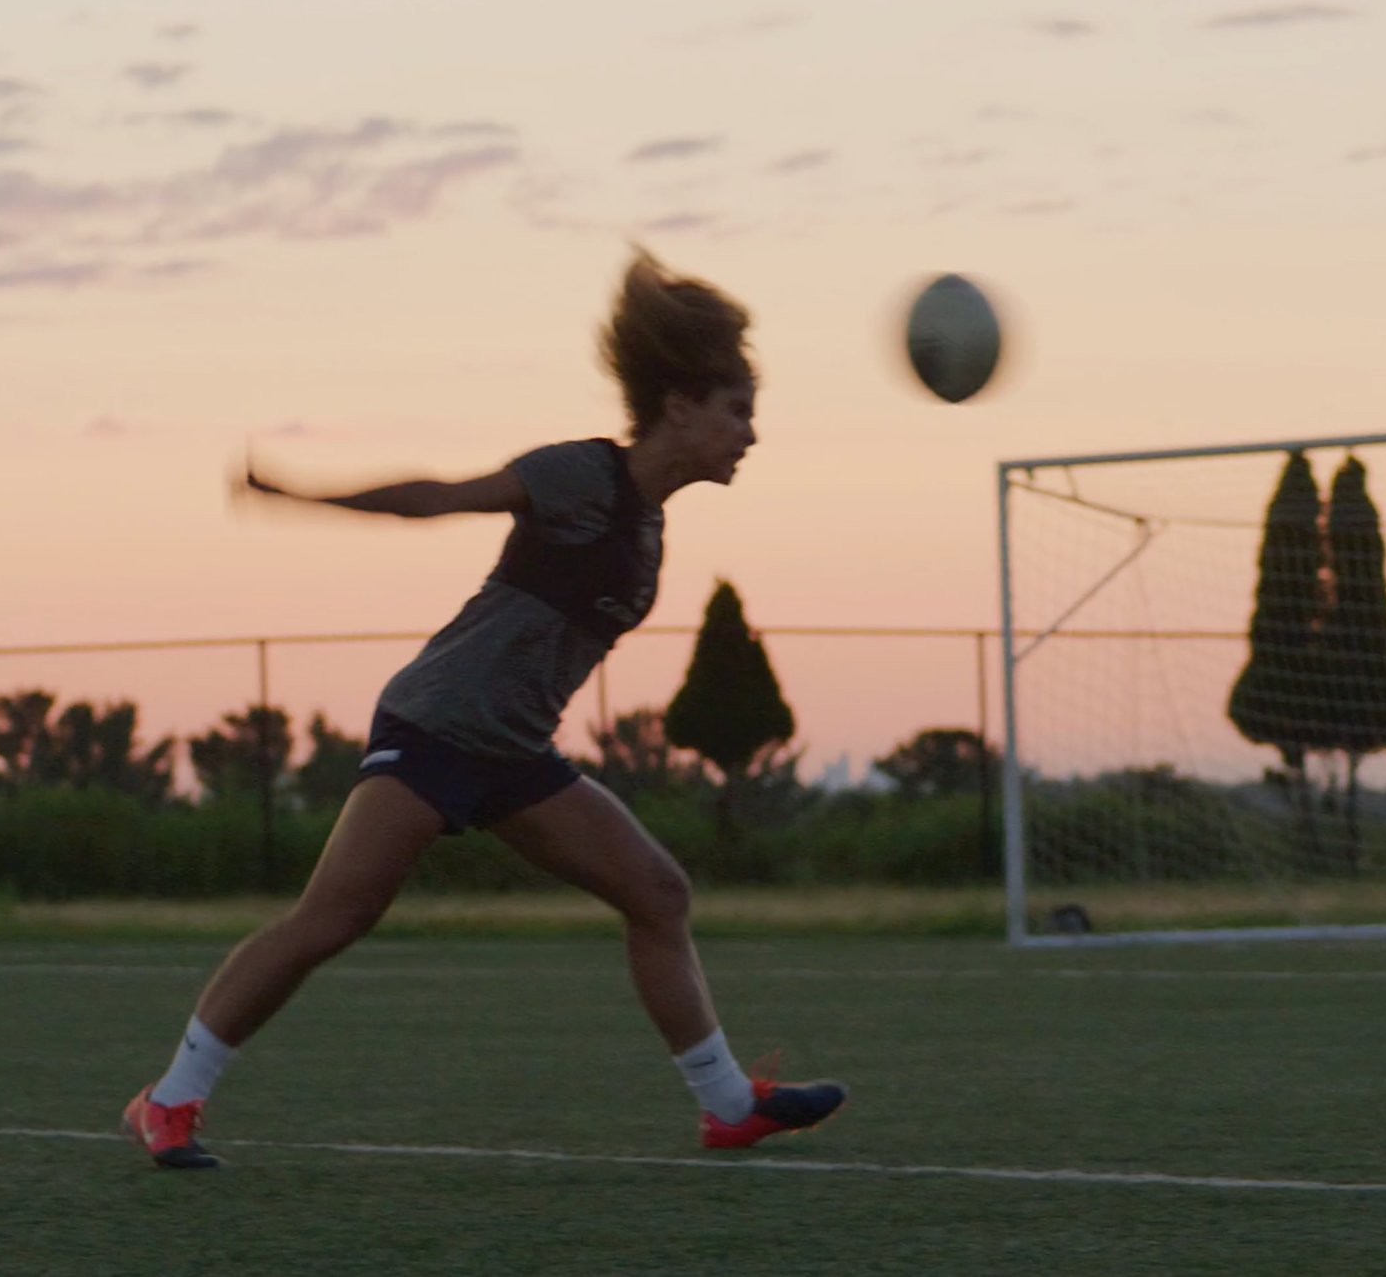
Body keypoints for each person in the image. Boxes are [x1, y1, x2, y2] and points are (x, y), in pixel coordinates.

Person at [122, 251, 846, 1169]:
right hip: (435, 729)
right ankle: (168, 1101)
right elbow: (441, 499)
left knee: (657, 891)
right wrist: (303, 493)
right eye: (738, 411)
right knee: (333, 918)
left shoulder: (650, 532)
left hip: (512, 755)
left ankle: (728, 1106)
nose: (750, 434)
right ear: (680, 408)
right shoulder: (582, 475)